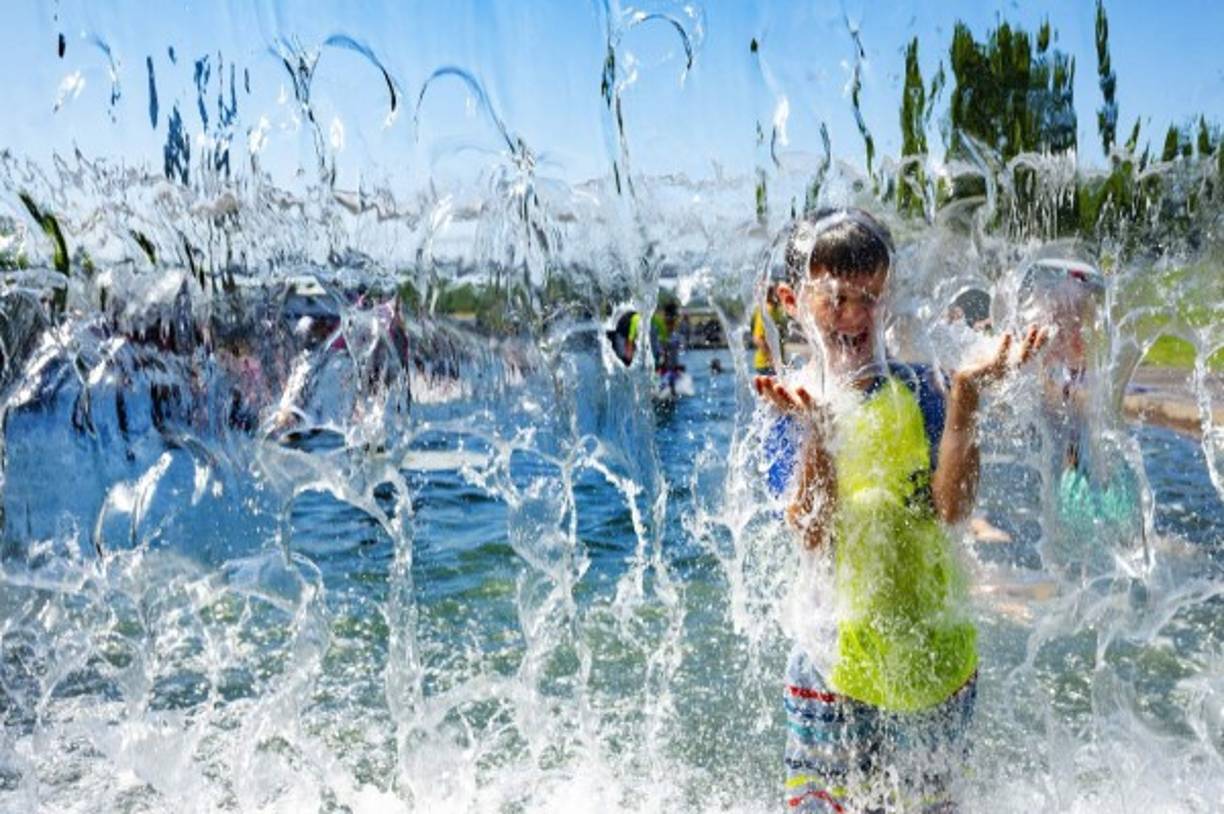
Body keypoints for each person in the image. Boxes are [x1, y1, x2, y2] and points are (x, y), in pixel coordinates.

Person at [755, 208, 1048, 812]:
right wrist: (818, 434)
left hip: (932, 664)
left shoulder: (922, 390)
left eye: (870, 296)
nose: (855, 316)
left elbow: (951, 511)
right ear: (792, 299)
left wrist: (967, 396)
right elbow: (813, 534)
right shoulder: (787, 407)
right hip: (830, 666)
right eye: (835, 297)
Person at [751, 282, 788, 374]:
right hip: (766, 365)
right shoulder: (766, 311)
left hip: (775, 364)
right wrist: (772, 358)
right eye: (778, 291)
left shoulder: (776, 310)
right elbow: (758, 338)